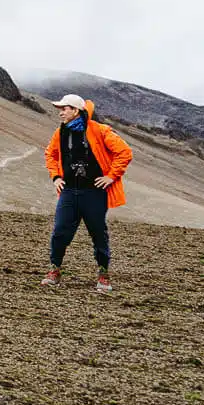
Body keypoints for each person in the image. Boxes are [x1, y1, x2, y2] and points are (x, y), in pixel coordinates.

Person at [41, 94, 133, 294]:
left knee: (98, 232)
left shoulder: (99, 130)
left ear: (76, 111)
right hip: (69, 191)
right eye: (60, 108)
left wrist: (111, 176)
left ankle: (103, 274)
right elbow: (50, 153)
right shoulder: (60, 132)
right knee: (60, 232)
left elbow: (124, 152)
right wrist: (56, 176)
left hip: (94, 192)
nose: (60, 112)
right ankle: (55, 270)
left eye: (64, 108)